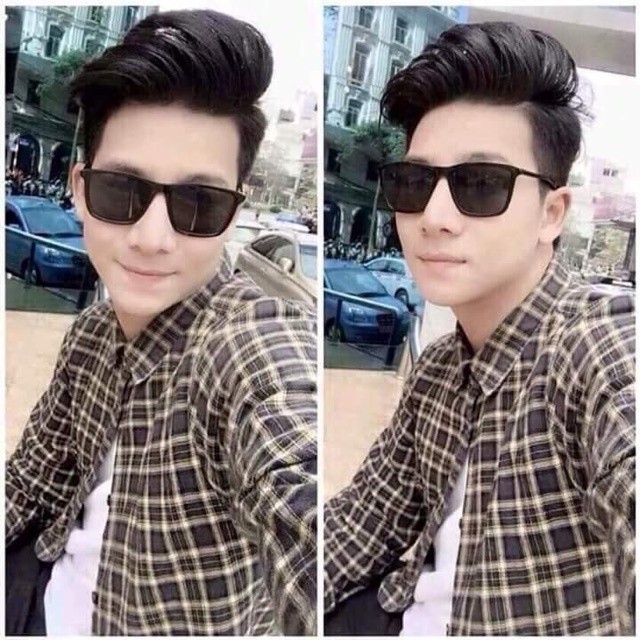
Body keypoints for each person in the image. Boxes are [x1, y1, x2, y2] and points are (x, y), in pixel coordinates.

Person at [6, 9, 317, 636]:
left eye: (198, 203)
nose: (152, 238)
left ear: (234, 213)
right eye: (122, 191)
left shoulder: (248, 350)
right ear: (79, 188)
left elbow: (301, 502)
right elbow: (30, 481)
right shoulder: (91, 336)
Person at [324, 21, 634, 636]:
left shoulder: (594, 347)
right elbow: (358, 525)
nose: (433, 217)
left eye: (482, 184)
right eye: (414, 183)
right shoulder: (439, 371)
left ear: (552, 214)